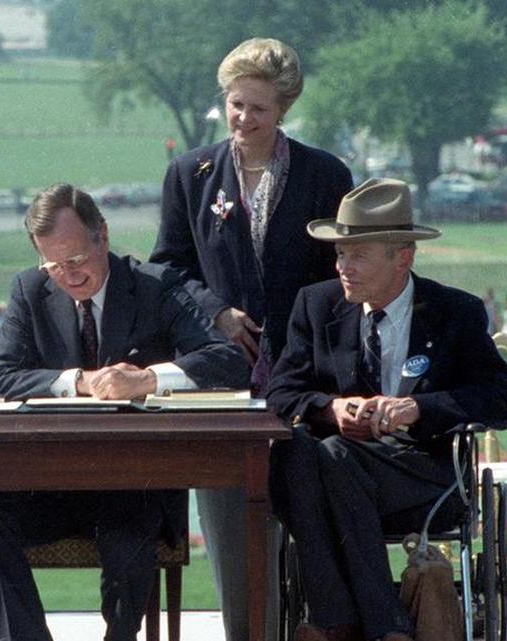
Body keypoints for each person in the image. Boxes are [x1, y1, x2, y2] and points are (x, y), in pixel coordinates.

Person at [0, 184, 248, 641]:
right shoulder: (29, 290)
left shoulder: (154, 286)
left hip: (135, 482)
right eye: (53, 265)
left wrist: (147, 379)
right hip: (51, 484)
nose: (68, 277)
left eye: (76, 261)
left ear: (103, 238)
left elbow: (227, 360)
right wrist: (75, 381)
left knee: (128, 530)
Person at [149, 37, 352, 640]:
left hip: (305, 371)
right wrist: (216, 314)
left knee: (306, 500)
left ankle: (319, 624)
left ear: (283, 109)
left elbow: (342, 273)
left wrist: (304, 339)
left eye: (258, 109)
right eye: (235, 105)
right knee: (230, 516)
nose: (244, 119)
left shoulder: (325, 175)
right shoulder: (191, 174)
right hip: (222, 376)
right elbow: (170, 268)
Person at [266, 178, 507, 641]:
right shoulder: (316, 306)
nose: (343, 266)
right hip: (335, 469)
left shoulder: (453, 313)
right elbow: (281, 392)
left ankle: (336, 625)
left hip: (421, 474)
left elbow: (500, 401)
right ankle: (379, 627)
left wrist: (417, 409)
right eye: (340, 253)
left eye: (358, 254)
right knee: (297, 452)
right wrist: (331, 408)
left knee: (328, 459)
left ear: (402, 256)